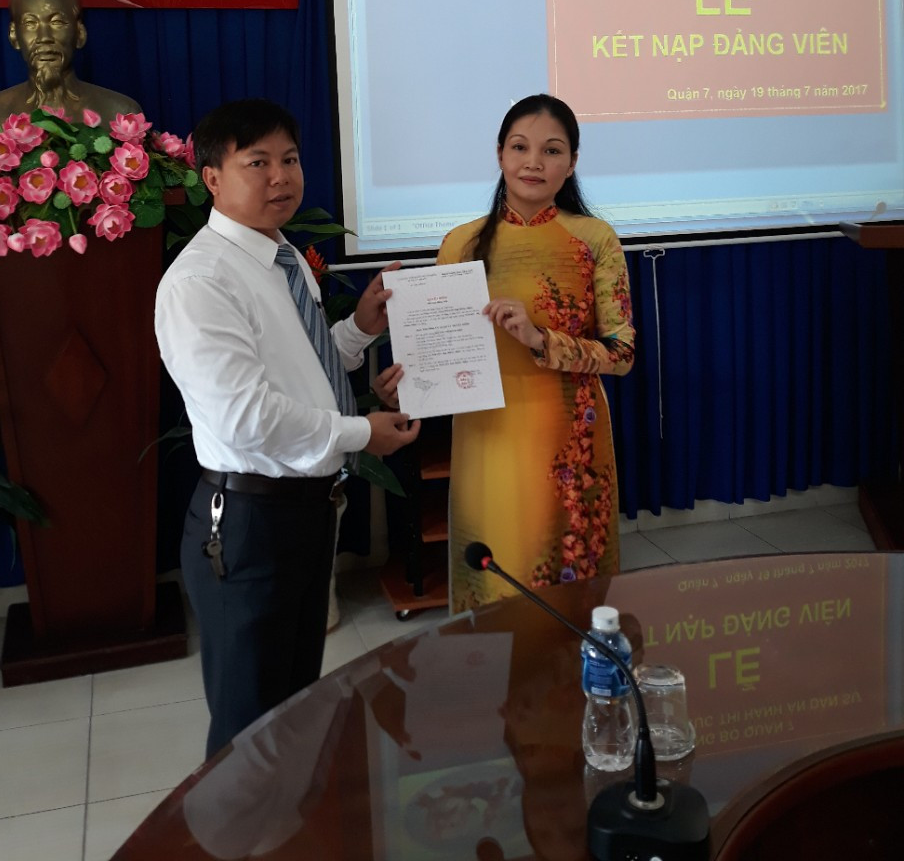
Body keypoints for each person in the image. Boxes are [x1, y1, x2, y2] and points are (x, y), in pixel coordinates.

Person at [154, 98, 420, 758]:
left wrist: (359, 329)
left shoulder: (282, 255)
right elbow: (245, 417)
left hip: (306, 513)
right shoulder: (200, 281)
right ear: (212, 177)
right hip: (248, 524)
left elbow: (302, 367)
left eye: (290, 159)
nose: (281, 177)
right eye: (258, 162)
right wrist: (361, 433)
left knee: (294, 710)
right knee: (249, 734)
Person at [435, 94, 635, 612]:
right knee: (494, 582)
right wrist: (409, 379)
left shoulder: (594, 240)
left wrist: (541, 340)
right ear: (500, 154)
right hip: (486, 435)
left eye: (552, 150)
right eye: (520, 147)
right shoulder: (460, 245)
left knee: (568, 593)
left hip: (568, 442)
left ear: (572, 163)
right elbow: (443, 352)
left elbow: (622, 353)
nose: (533, 162)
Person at [0, 0, 141, 123]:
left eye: (57, 22)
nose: (44, 37)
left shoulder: (121, 113)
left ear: (80, 33)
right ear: (14, 35)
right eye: (30, 23)